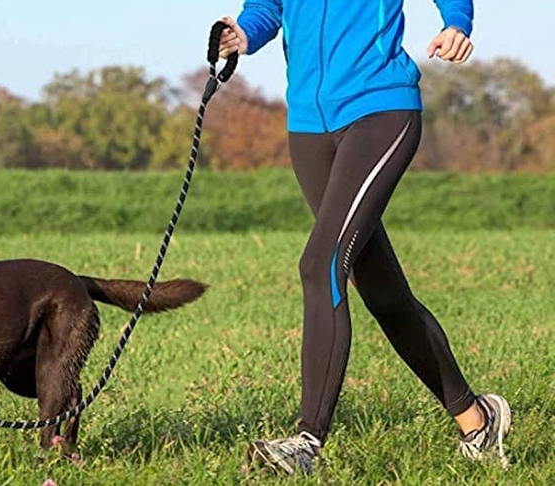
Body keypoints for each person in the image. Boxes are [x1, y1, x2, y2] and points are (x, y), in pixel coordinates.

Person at [217, 0, 511, 476]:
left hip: (380, 109)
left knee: (320, 264)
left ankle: (306, 440)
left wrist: (456, 23)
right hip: (309, 128)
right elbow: (266, 8)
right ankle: (478, 420)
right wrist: (244, 35)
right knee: (382, 290)